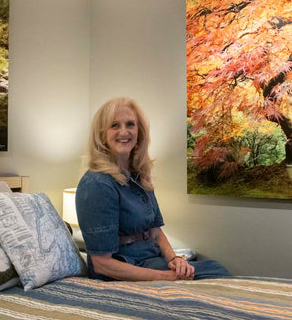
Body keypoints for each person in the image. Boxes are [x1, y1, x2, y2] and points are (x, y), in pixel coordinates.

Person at [75, 97, 231, 281]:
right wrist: (166, 277)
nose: (124, 132)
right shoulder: (97, 184)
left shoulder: (138, 175)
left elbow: (155, 232)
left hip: (148, 259)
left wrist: (175, 259)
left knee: (215, 268)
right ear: (102, 134)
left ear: (139, 132)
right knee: (209, 278)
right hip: (123, 270)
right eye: (115, 125)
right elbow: (103, 265)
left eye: (130, 124)